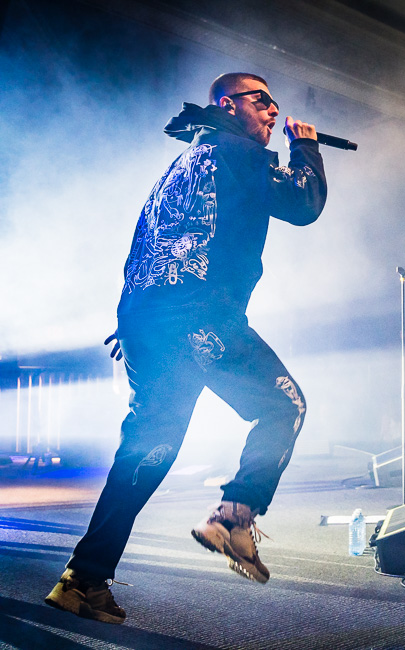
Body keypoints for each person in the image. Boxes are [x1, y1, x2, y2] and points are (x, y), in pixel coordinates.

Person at [44, 72, 327, 624]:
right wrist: (307, 148)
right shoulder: (242, 154)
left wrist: (138, 323)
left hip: (150, 322)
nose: (273, 111)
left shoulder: (181, 166)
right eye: (262, 101)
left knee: (149, 451)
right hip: (200, 317)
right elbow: (303, 203)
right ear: (229, 104)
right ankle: (235, 516)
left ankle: (82, 579)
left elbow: (147, 239)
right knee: (283, 406)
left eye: (274, 105)